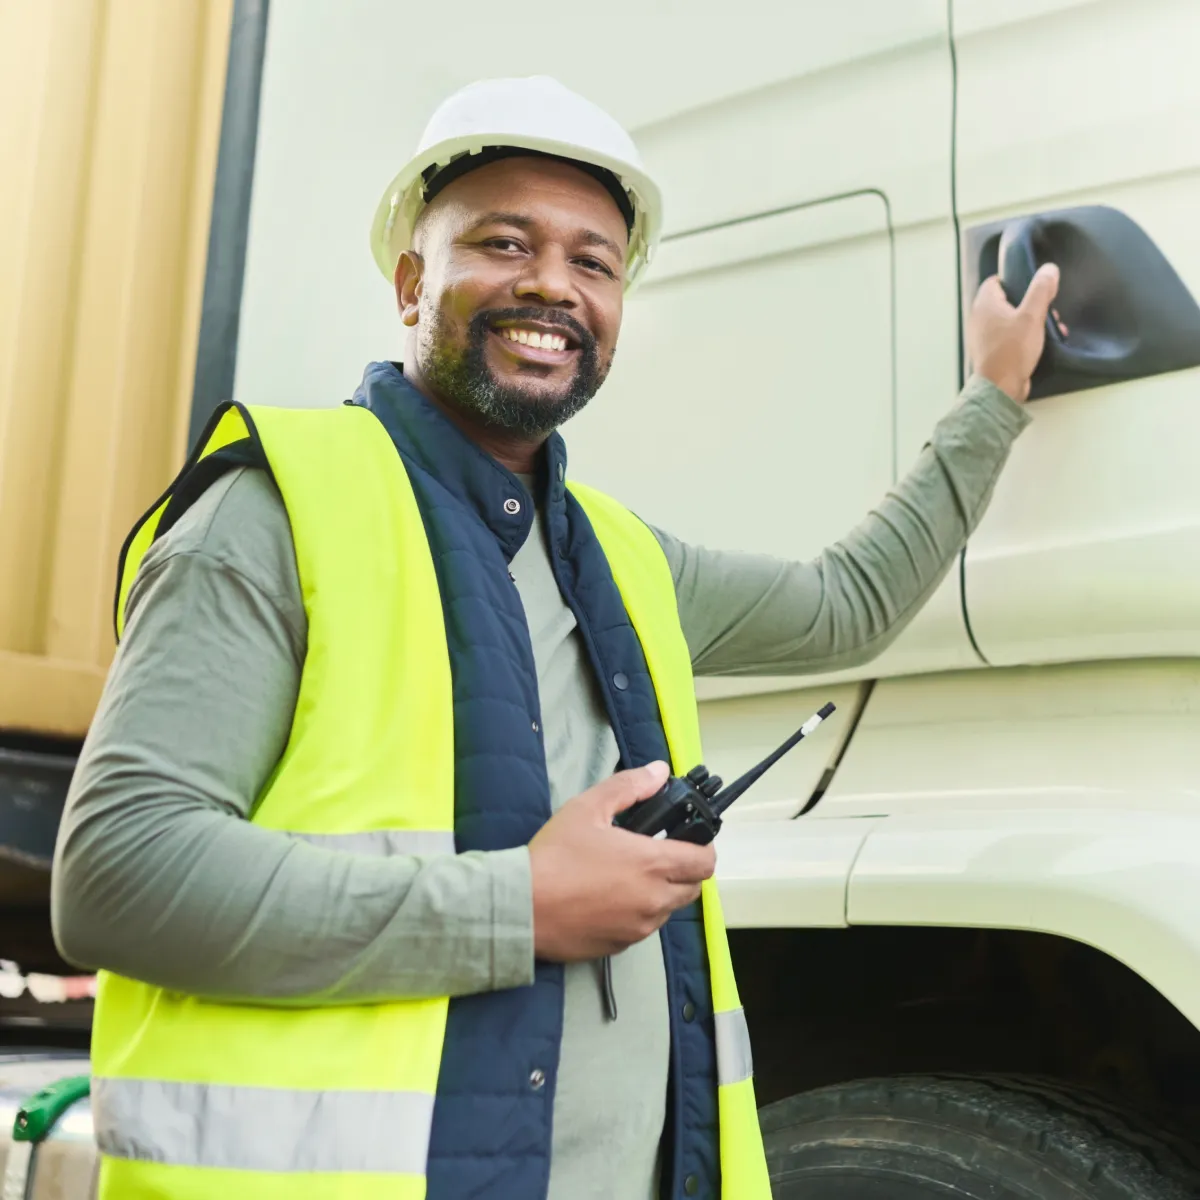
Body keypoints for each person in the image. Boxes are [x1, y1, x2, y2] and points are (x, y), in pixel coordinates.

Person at [51, 75, 1060, 1200]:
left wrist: (994, 398)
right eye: (503, 242)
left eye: (593, 262)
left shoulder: (622, 557)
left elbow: (845, 604)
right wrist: (518, 909)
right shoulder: (276, 512)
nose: (551, 285)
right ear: (408, 281)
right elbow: (116, 876)